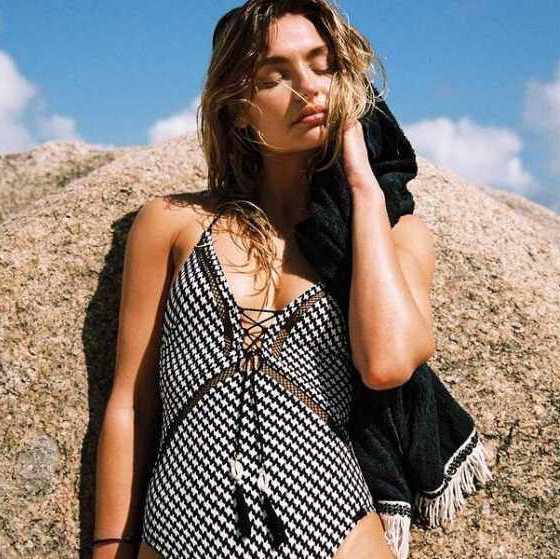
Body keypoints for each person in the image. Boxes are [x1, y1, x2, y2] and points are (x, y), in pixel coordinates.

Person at [92, 1, 435, 557]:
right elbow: (132, 406)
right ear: (237, 109)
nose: (309, 89)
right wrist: (110, 550)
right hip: (181, 532)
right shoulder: (173, 224)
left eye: (324, 67)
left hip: (337, 529)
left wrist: (365, 190)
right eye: (275, 77)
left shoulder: (396, 236)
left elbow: (386, 363)